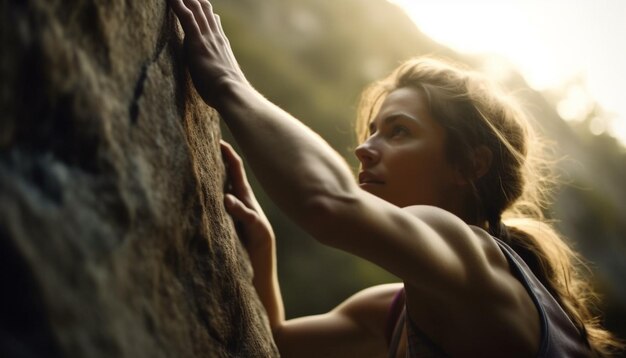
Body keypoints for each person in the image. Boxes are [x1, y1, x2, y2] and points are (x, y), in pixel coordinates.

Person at [169, 0, 623, 356]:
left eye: (399, 132)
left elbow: (329, 203)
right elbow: (277, 344)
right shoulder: (393, 309)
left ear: (470, 165)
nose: (364, 149)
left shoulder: (471, 254)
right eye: (372, 130)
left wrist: (231, 84)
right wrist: (263, 254)